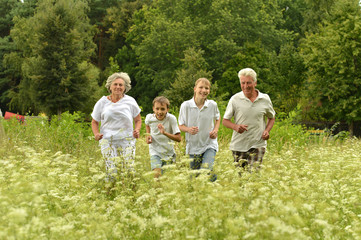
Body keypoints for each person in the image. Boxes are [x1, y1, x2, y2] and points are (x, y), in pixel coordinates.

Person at [222, 68, 275, 171]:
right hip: (239, 145)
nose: (245, 86)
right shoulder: (235, 99)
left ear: (255, 83)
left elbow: (271, 118)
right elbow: (225, 121)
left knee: (253, 174)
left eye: (248, 83)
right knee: (241, 178)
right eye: (243, 83)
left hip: (258, 143)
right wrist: (236, 127)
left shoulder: (265, 99)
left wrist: (266, 131)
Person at [91, 72, 142, 180]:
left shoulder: (130, 101)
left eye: (121, 85)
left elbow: (138, 120)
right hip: (108, 140)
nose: (118, 87)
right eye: (115, 84)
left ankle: (129, 194)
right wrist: (96, 134)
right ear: (110, 86)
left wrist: (137, 130)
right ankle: (110, 192)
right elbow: (94, 121)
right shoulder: (102, 102)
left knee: (128, 169)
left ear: (125, 88)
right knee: (112, 170)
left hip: (127, 140)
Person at [179, 78, 220, 181]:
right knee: (195, 177)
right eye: (201, 87)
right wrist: (188, 129)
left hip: (209, 144)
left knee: (205, 170)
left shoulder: (212, 105)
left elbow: (218, 118)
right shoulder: (186, 105)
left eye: (207, 88)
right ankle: (214, 181)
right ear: (195, 89)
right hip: (193, 147)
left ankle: (212, 184)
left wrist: (215, 130)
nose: (204, 90)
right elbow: (180, 126)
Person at [145, 96, 181, 178]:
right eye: (157, 109)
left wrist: (165, 133)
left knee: (167, 178)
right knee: (157, 175)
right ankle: (157, 191)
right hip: (155, 151)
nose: (159, 112)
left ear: (167, 109)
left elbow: (179, 138)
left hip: (168, 152)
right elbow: (147, 125)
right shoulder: (149, 118)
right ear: (153, 108)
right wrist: (148, 135)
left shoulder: (171, 119)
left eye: (162, 109)